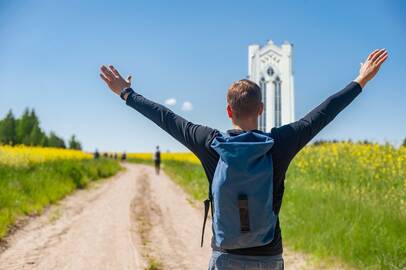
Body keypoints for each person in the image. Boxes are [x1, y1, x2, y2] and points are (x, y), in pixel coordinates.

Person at [100, 49, 388, 270]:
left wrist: (126, 93)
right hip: (268, 256)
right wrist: (360, 80)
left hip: (226, 257)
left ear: (228, 111)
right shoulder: (279, 144)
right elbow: (323, 113)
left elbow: (166, 118)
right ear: (260, 109)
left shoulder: (209, 142)